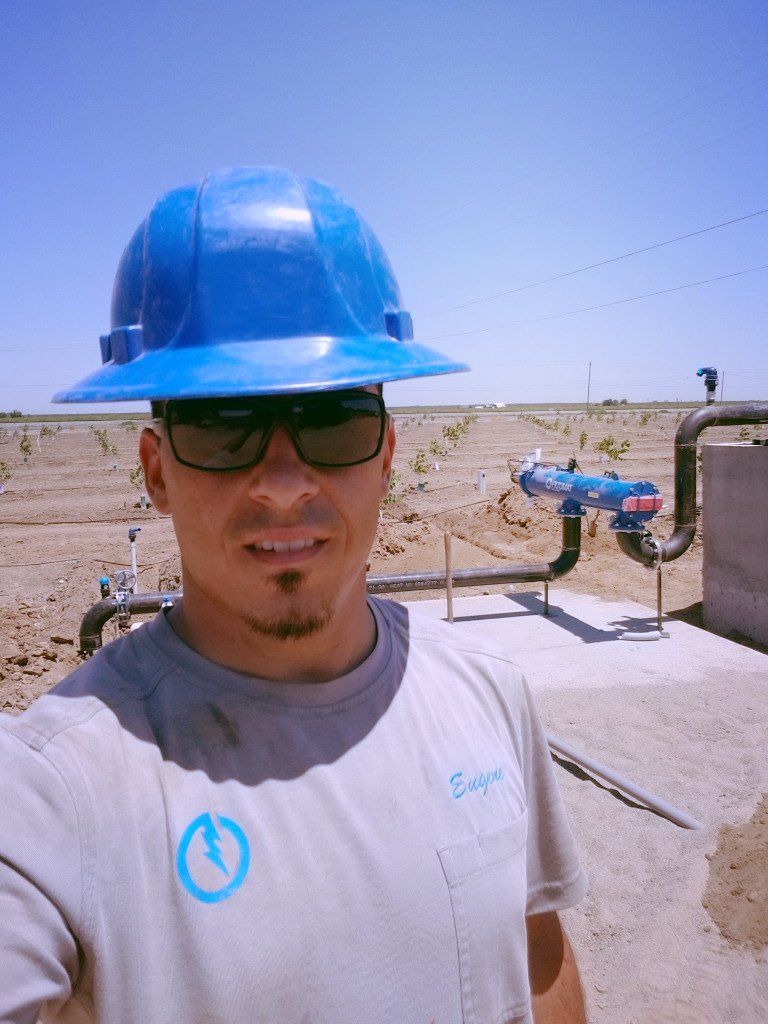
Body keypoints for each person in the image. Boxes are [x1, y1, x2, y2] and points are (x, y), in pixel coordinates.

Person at [0, 167, 587, 1023]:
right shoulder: (53, 790)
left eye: (332, 419)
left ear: (386, 456)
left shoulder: (490, 694)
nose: (282, 483)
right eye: (222, 425)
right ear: (157, 472)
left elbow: (536, 957)